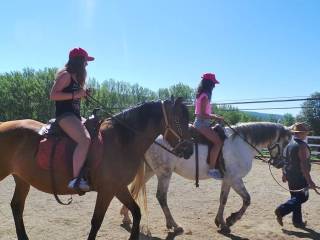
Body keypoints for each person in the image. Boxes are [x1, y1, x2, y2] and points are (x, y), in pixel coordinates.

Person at [50, 47, 94, 192]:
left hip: (74, 115)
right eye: (86, 61)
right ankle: (76, 180)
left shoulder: (76, 77)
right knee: (85, 139)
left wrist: (83, 94)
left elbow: (75, 95)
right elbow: (53, 95)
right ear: (79, 61)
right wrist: (76, 94)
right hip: (65, 116)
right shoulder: (66, 75)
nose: (87, 65)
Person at [275, 122, 317, 228]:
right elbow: (304, 166)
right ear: (301, 133)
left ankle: (297, 221)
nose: (306, 134)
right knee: (303, 197)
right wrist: (310, 181)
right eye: (305, 132)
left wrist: (284, 174)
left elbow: (285, 161)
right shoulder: (302, 146)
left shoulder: (289, 144)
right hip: (300, 177)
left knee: (295, 198)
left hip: (290, 176)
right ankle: (281, 210)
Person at [193, 73, 224, 180]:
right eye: (213, 84)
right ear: (209, 84)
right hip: (201, 124)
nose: (214, 86)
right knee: (218, 142)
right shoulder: (205, 97)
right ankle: (211, 169)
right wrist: (215, 117)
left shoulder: (201, 95)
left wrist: (213, 116)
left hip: (202, 123)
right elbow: (201, 114)